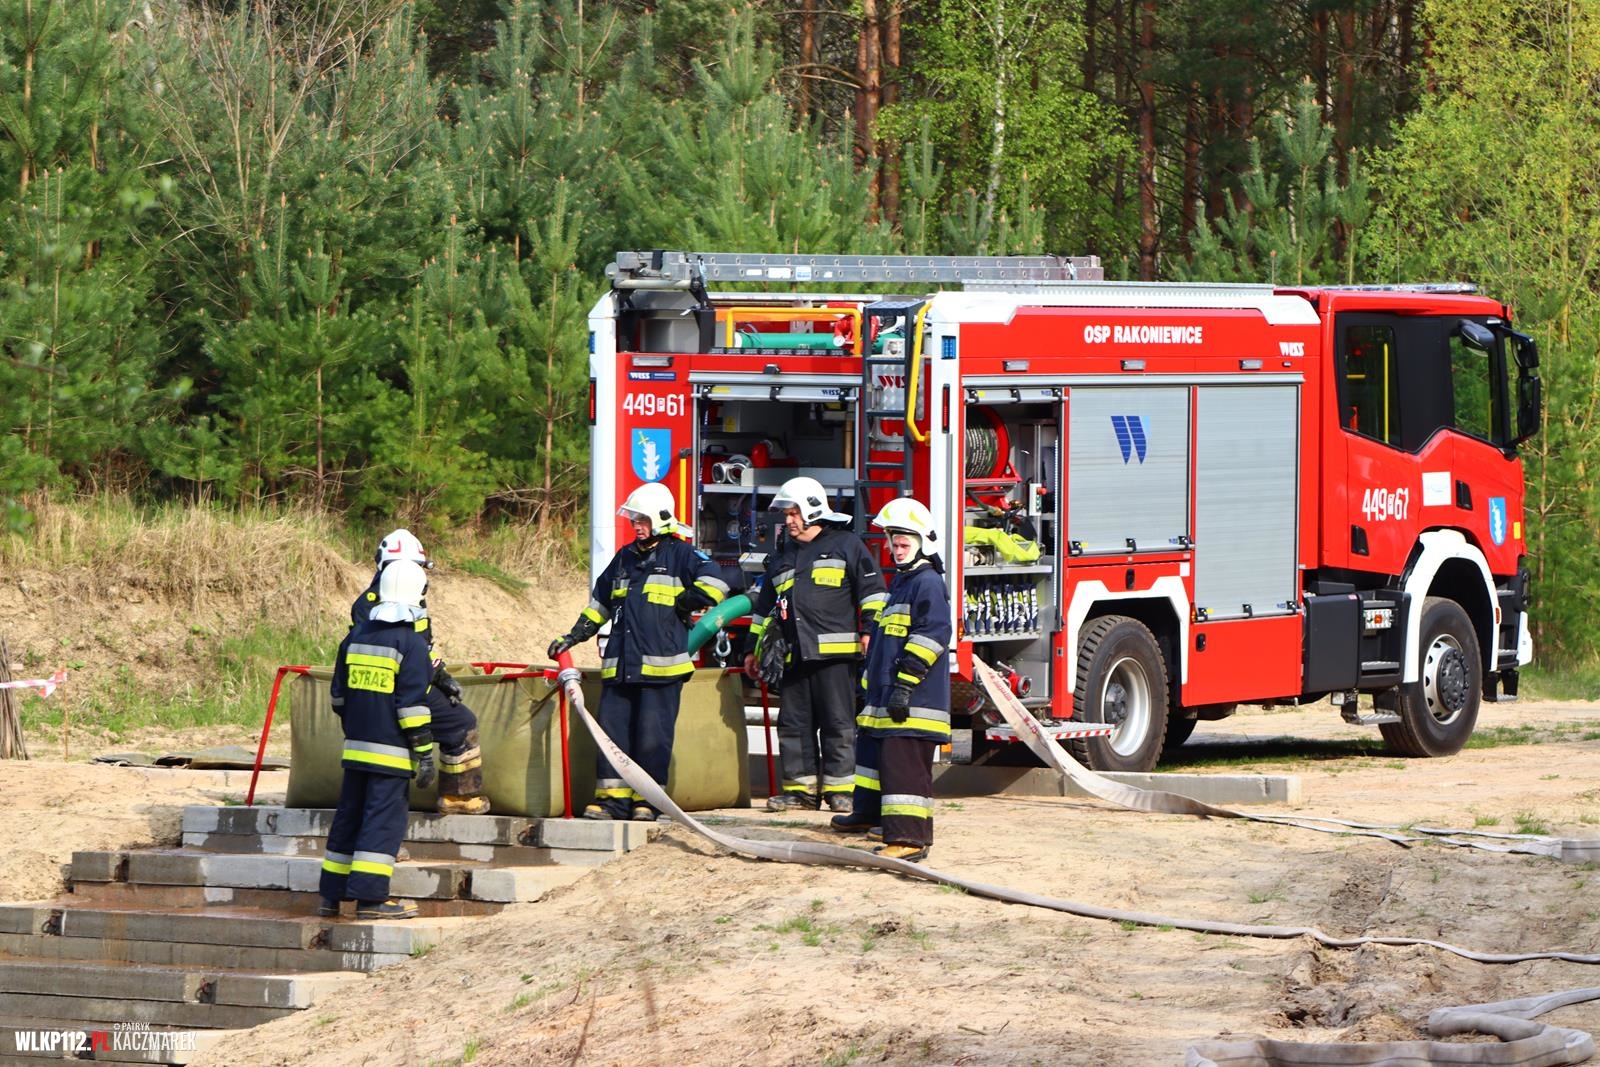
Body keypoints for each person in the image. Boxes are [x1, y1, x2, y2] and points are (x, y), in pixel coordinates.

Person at [548, 482, 729, 821]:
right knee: (612, 736)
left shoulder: (682, 555)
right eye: (634, 519)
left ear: (661, 519)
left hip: (662, 671)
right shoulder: (624, 559)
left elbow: (717, 584)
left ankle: (648, 802)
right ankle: (611, 802)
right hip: (620, 667)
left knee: (651, 740)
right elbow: (599, 605)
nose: (636, 525)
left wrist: (686, 602)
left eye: (642, 519)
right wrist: (574, 636)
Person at [744, 476, 886, 813]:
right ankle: (800, 793)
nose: (789, 520)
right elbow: (763, 611)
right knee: (793, 726)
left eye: (793, 513)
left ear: (811, 510)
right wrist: (752, 649)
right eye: (786, 514)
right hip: (793, 657)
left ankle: (841, 792)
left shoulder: (847, 545)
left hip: (835, 657)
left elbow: (873, 592)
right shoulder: (781, 557)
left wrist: (869, 631)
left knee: (838, 724)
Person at [831, 497, 951, 863]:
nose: (896, 550)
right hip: (886, 699)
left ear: (922, 543)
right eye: (893, 544)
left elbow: (932, 635)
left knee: (905, 772)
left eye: (902, 544)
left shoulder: (927, 583)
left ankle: (909, 839)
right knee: (873, 762)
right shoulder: (903, 582)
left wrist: (905, 685)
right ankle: (872, 816)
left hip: (913, 701)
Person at [320, 559, 436, 920]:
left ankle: (331, 896)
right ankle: (371, 900)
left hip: (355, 749)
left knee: (349, 818)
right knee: (381, 823)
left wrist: (360, 727)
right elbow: (412, 708)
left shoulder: (354, 637)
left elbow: (338, 698)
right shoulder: (412, 644)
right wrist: (425, 753)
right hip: (392, 756)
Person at [354, 529, 489, 816]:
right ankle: (449, 798)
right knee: (453, 727)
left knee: (461, 722)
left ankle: (455, 796)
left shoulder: (412, 600)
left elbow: (423, 648)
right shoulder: (369, 605)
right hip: (392, 691)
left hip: (412, 685)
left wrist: (441, 676)